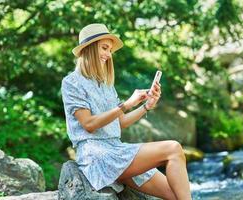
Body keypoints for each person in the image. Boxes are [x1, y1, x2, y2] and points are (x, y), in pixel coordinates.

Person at [61, 23, 191, 200]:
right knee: (173, 148)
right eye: (104, 48)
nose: (108, 54)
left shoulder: (106, 85)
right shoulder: (72, 82)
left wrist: (145, 106)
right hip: (97, 155)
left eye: (110, 50)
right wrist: (127, 104)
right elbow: (89, 124)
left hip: (116, 150)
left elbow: (120, 123)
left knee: (175, 195)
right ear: (89, 49)